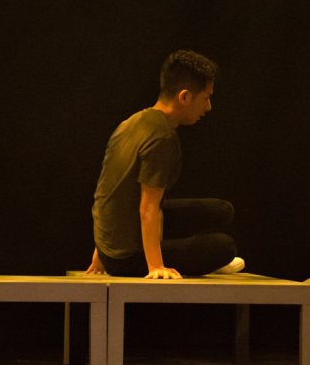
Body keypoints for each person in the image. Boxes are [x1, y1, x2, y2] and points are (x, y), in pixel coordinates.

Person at [86, 50, 241, 279]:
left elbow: (110, 192)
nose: (208, 107)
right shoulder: (162, 138)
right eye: (205, 98)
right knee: (224, 247)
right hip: (126, 259)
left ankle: (194, 258)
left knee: (221, 211)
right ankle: (197, 261)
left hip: (113, 248)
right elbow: (147, 208)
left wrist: (101, 250)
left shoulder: (131, 123)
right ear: (184, 97)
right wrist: (156, 266)